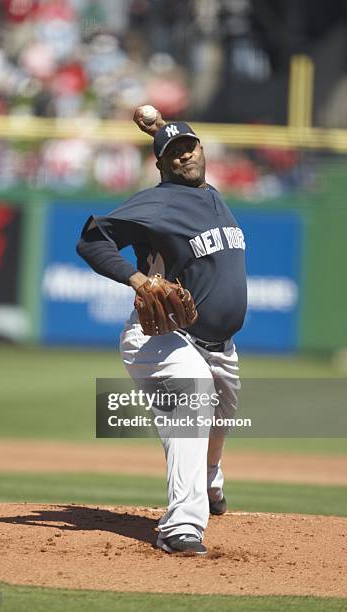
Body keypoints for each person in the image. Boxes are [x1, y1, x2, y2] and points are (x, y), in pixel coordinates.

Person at [76, 109, 247, 556]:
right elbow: (91, 239)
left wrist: (162, 131)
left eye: (189, 146)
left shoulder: (210, 195)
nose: (184, 155)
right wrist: (137, 280)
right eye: (173, 153)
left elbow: (180, 147)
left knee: (221, 412)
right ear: (161, 165)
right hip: (161, 337)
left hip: (220, 345)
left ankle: (209, 480)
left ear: (203, 149)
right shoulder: (158, 202)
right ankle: (180, 527)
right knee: (194, 390)